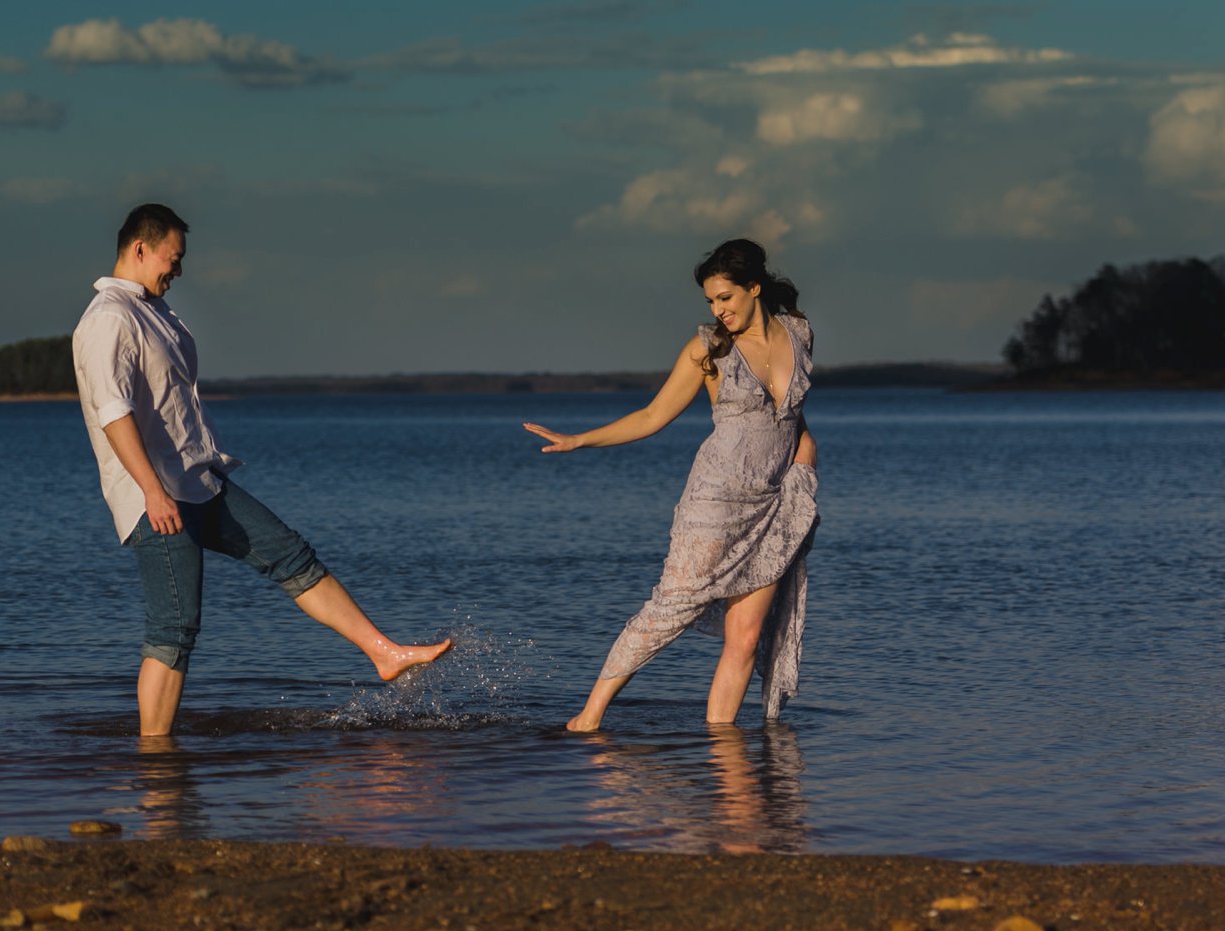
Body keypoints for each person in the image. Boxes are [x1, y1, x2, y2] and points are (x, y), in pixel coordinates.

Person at [73, 203, 451, 736]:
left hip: (198, 483)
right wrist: (152, 492)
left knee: (290, 555)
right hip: (154, 498)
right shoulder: (109, 317)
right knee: (174, 628)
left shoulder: (153, 313)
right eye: (172, 259)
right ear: (140, 248)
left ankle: (384, 653)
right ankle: (155, 758)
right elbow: (113, 413)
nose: (178, 271)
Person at [525, 238, 819, 732]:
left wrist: (805, 459)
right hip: (715, 502)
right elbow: (652, 415)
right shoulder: (708, 348)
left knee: (745, 637)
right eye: (710, 301)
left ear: (754, 287)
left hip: (774, 503)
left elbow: (792, 417)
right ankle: (590, 714)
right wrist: (579, 441)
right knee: (672, 606)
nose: (717, 309)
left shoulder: (799, 333)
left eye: (725, 297)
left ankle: (722, 742)